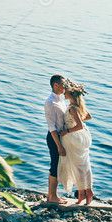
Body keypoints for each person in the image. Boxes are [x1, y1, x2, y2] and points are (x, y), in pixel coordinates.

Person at [57, 79, 94, 205]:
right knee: (83, 166)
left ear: (71, 95)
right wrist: (77, 119)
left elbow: (80, 126)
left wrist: (67, 130)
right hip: (79, 138)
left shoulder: (73, 108)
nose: (64, 93)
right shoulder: (77, 106)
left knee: (77, 167)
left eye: (66, 92)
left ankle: (85, 193)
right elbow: (88, 116)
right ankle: (86, 192)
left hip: (73, 139)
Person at [43, 73, 69, 203]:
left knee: (58, 165)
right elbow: (52, 127)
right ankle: (52, 196)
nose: (66, 86)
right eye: (64, 84)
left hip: (62, 137)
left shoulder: (61, 99)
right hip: (54, 138)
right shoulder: (50, 102)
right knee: (55, 166)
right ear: (56, 85)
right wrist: (59, 146)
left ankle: (52, 195)